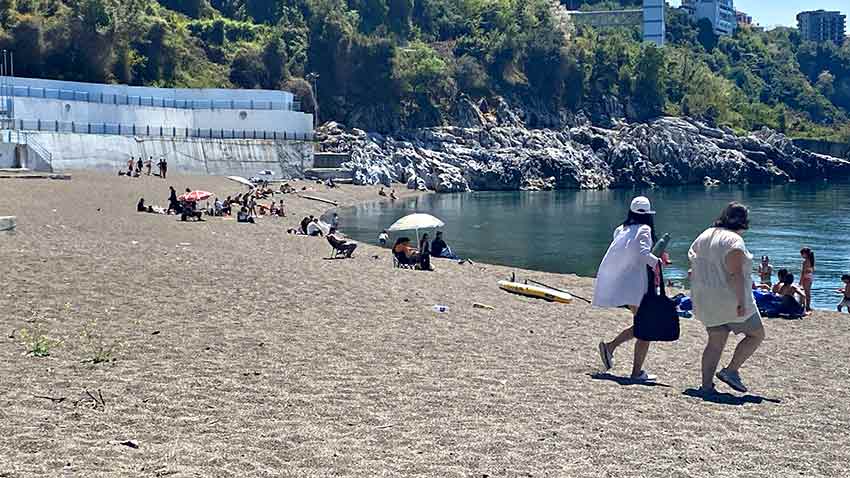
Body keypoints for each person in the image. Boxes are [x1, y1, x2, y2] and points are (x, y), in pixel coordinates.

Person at [689, 202, 765, 395]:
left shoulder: (704, 235)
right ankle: (731, 370)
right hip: (728, 299)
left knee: (715, 341)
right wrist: (741, 301)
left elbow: (693, 267)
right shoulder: (734, 241)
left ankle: (706, 386)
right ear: (744, 221)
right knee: (756, 334)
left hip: (704, 297)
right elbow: (735, 275)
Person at [593, 196, 662, 382]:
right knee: (646, 328)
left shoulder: (621, 229)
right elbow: (642, 254)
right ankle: (634, 370)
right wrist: (658, 262)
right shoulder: (645, 229)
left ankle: (611, 348)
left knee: (643, 325)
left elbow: (626, 254)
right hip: (637, 285)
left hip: (624, 283)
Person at [800, 247, 815, 313]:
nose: (801, 255)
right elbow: (812, 270)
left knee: (805, 292)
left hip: (806, 277)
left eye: (802, 254)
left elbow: (803, 272)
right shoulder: (811, 260)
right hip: (810, 277)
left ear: (805, 254)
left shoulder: (805, 262)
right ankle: (807, 305)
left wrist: (800, 281)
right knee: (808, 292)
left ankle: (805, 306)